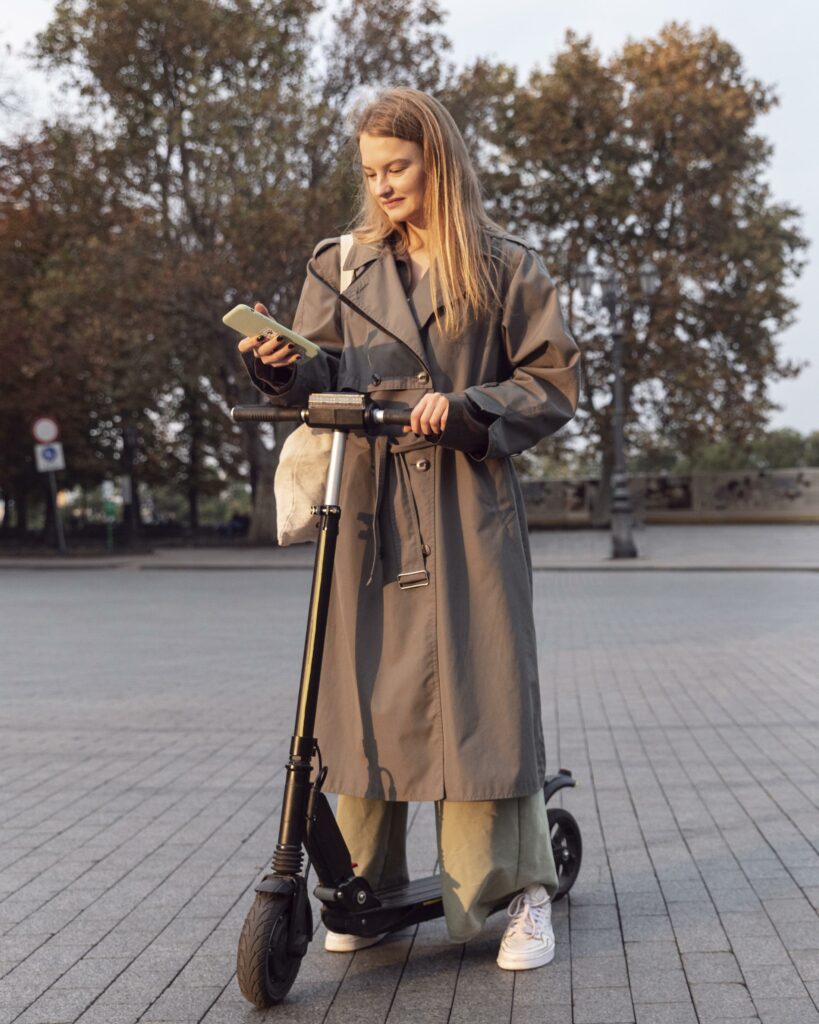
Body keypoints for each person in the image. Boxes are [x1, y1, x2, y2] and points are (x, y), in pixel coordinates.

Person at [238, 87, 581, 971]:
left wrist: (465, 406)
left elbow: (548, 385)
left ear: (438, 161)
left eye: (398, 168)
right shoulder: (341, 264)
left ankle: (515, 897)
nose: (382, 186)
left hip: (466, 505)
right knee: (361, 701)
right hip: (369, 507)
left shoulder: (506, 267)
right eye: (370, 172)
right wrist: (282, 365)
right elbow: (321, 372)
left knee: (482, 699)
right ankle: (362, 886)